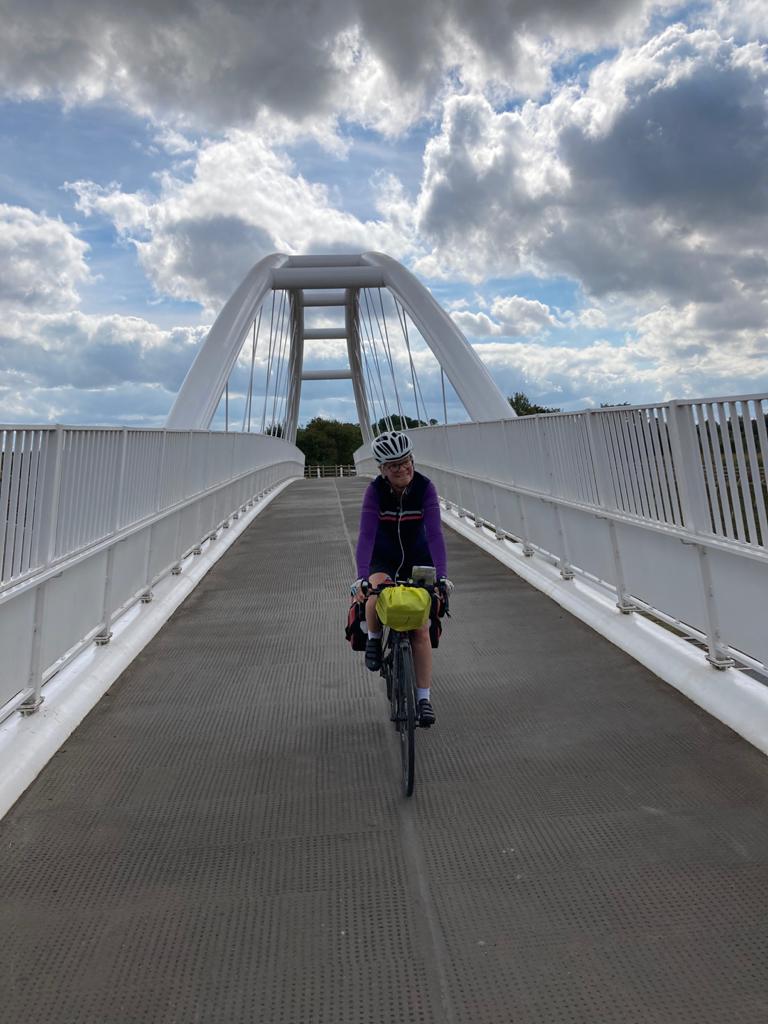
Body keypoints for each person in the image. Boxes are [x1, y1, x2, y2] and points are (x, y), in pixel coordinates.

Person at [352, 430, 453, 728]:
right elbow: (366, 535)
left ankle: (423, 699)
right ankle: (373, 640)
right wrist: (361, 578)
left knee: (420, 628)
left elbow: (435, 534)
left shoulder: (425, 488)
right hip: (383, 557)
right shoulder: (375, 492)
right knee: (375, 592)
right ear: (382, 469)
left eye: (406, 461)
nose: (402, 468)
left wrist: (442, 576)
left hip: (417, 559)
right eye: (393, 465)